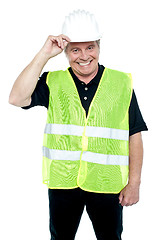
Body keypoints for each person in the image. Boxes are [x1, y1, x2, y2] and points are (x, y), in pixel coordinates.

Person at [9, 10, 148, 240]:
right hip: (63, 183)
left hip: (106, 183)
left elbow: (135, 134)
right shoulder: (53, 81)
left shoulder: (121, 83)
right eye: (75, 49)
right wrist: (44, 54)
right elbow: (16, 98)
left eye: (90, 47)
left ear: (99, 47)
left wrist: (134, 183)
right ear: (65, 52)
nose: (84, 56)